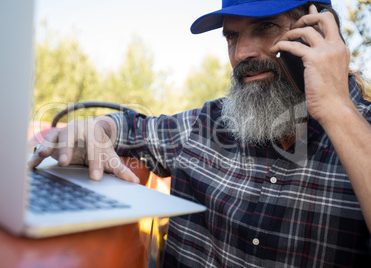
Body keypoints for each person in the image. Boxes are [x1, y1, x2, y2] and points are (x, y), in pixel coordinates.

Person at [30, 0, 371, 266]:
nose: (240, 54)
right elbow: (131, 128)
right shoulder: (210, 124)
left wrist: (336, 109)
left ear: (323, 33)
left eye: (266, 27)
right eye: (231, 36)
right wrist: (96, 128)